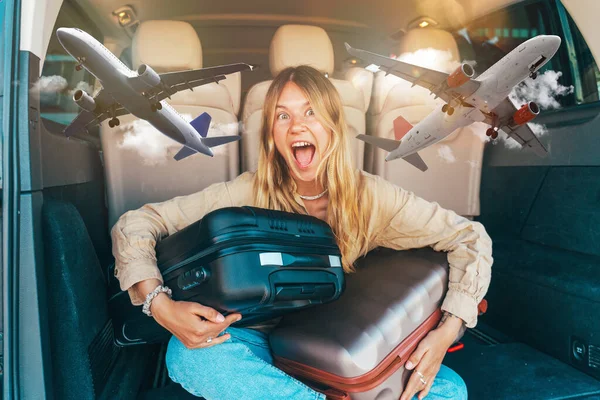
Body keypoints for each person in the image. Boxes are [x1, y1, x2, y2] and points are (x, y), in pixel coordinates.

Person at [112, 65, 493, 400]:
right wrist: (159, 305)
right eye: (282, 116)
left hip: (339, 346)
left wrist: (447, 330)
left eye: (310, 112)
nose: (297, 125)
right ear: (272, 137)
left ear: (332, 125)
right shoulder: (247, 191)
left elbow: (470, 238)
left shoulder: (372, 197)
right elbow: (136, 223)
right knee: (187, 359)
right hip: (251, 337)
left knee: (449, 391)